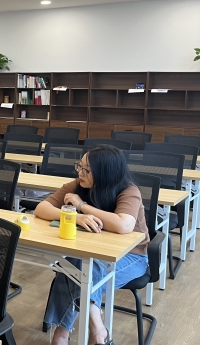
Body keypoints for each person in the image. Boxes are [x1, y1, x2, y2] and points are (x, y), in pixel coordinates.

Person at [34, 145, 149, 345]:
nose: (80, 172)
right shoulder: (78, 185)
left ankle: (63, 334)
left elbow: (123, 224)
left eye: (87, 170)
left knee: (73, 269)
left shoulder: (128, 190)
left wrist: (81, 206)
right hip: (89, 254)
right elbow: (41, 208)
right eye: (79, 166)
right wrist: (76, 217)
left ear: (105, 173)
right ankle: (98, 331)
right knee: (77, 266)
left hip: (131, 257)